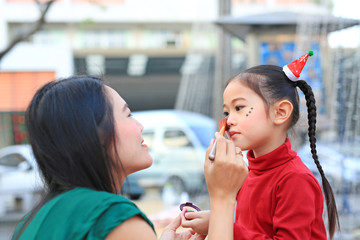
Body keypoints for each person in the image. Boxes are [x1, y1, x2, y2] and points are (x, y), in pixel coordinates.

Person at [12, 75, 209, 240]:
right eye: (128, 114)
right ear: (94, 134)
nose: (140, 126)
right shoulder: (113, 217)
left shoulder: (30, 222)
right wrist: (223, 197)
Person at [181, 51, 340, 239]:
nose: (229, 120)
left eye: (239, 108)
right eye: (226, 112)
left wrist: (223, 225)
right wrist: (217, 221)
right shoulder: (246, 173)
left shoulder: (295, 179)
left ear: (280, 112)